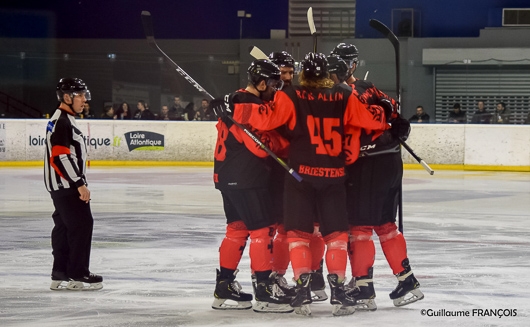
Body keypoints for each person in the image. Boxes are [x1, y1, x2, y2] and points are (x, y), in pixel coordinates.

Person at [216, 53, 389, 316]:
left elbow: (266, 120)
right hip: (332, 176)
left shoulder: (290, 96)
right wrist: (387, 111)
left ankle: (302, 289)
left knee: (296, 235)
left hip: (299, 177)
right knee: (335, 235)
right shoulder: (344, 95)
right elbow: (368, 122)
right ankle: (339, 291)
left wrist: (235, 106)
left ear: (302, 74)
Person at [331, 42, 423, 311]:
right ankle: (407, 281)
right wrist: (395, 122)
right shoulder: (368, 88)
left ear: (351, 65)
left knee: (359, 228)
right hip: (389, 161)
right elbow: (394, 114)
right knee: (385, 224)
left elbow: (373, 119)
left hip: (369, 163)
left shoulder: (348, 92)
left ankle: (363, 288)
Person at [210, 59, 292, 313]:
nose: (276, 89)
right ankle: (265, 292)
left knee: (236, 229)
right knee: (261, 231)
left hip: (226, 176)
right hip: (247, 178)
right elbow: (259, 147)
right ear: (260, 83)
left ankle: (224, 286)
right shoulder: (247, 103)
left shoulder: (236, 101)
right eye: (273, 84)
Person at [268, 50, 327, 302]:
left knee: (315, 229)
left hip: (305, 167)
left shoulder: (296, 94)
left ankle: (315, 274)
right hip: (279, 170)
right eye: (283, 72)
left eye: (291, 72)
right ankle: (277, 276)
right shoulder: (271, 95)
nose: (288, 77)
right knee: (285, 229)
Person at [44, 78, 103, 291]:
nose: (84, 100)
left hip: (59, 187)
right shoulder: (63, 122)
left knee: (63, 227)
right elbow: (60, 157)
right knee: (81, 226)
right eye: (80, 95)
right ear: (67, 97)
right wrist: (79, 184)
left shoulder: (61, 118)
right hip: (67, 187)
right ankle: (78, 275)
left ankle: (59, 272)